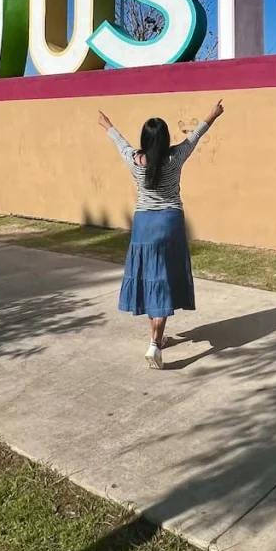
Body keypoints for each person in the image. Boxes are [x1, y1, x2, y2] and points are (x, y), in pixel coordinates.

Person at [97, 100, 225, 369]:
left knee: (151, 278)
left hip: (144, 225)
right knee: (163, 279)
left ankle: (156, 338)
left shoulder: (135, 160)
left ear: (144, 139)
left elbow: (119, 143)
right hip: (169, 223)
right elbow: (196, 136)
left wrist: (107, 124)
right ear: (166, 138)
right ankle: (155, 343)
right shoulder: (176, 157)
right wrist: (213, 113)